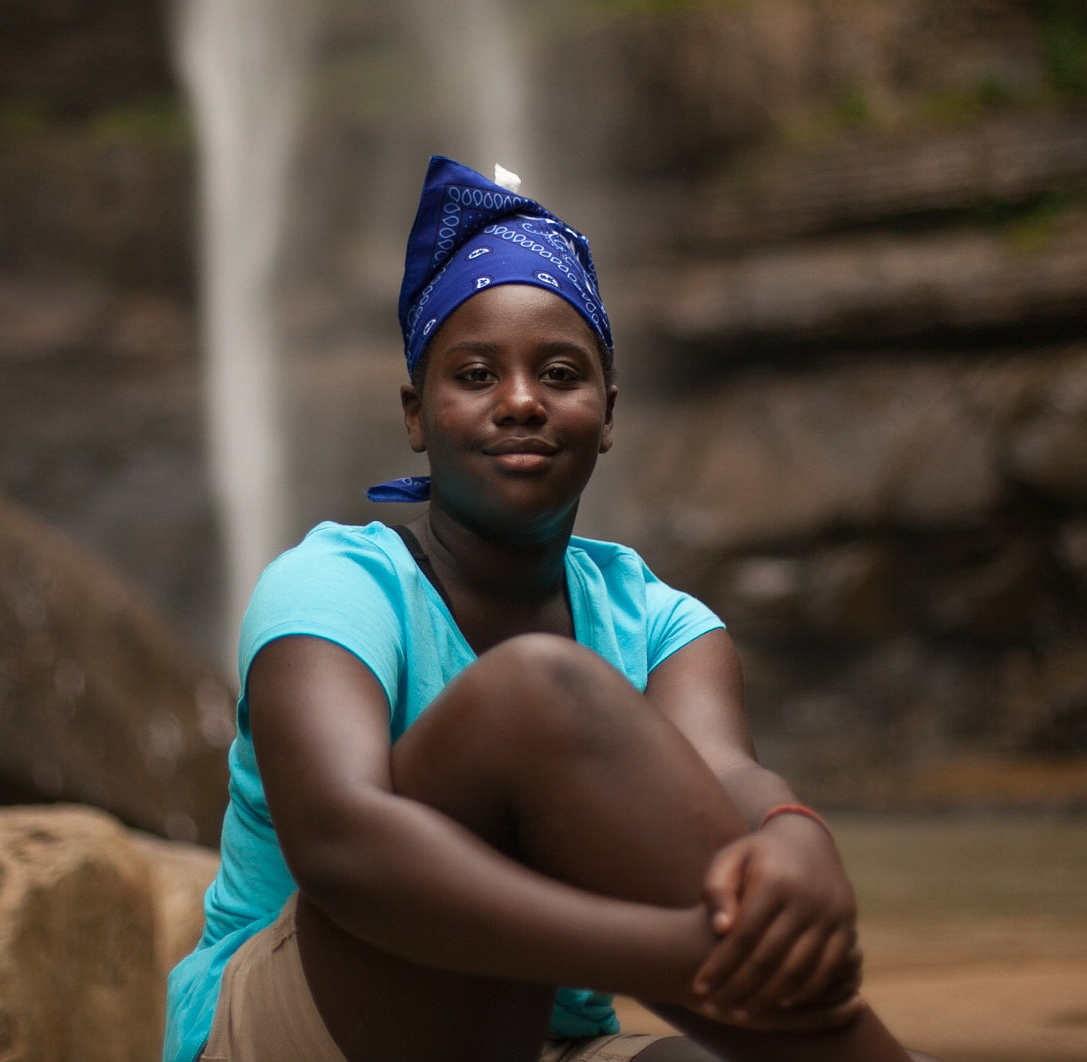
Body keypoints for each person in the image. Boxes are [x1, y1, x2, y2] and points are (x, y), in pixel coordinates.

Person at [164, 157, 919, 1062]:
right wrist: (666, 953)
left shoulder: (662, 618)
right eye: (476, 374)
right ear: (417, 414)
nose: (520, 401)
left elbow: (724, 779)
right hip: (299, 1028)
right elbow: (340, 843)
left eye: (559, 373)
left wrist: (796, 840)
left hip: (538, 1041)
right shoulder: (332, 584)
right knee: (538, 692)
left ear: (607, 414)